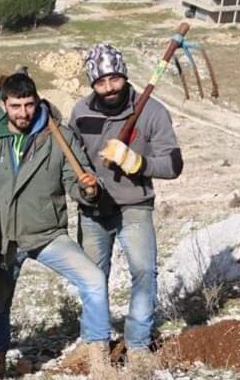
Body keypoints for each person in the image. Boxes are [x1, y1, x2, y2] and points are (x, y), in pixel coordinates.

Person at [0, 72, 112, 380]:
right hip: (3, 240)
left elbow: (76, 180)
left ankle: (100, 358)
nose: (23, 113)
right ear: (2, 104)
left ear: (37, 101)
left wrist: (88, 189)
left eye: (29, 105)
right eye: (15, 105)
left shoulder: (59, 135)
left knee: (95, 280)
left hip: (47, 234)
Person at [71, 44, 183, 362]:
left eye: (115, 80)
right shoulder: (80, 112)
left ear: (124, 76)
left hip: (136, 205)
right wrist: (84, 189)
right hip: (94, 209)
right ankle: (95, 341)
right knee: (93, 276)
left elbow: (174, 165)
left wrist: (139, 163)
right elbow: (73, 164)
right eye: (101, 83)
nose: (109, 88)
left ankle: (137, 344)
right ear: (92, 84)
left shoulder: (153, 111)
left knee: (145, 272)